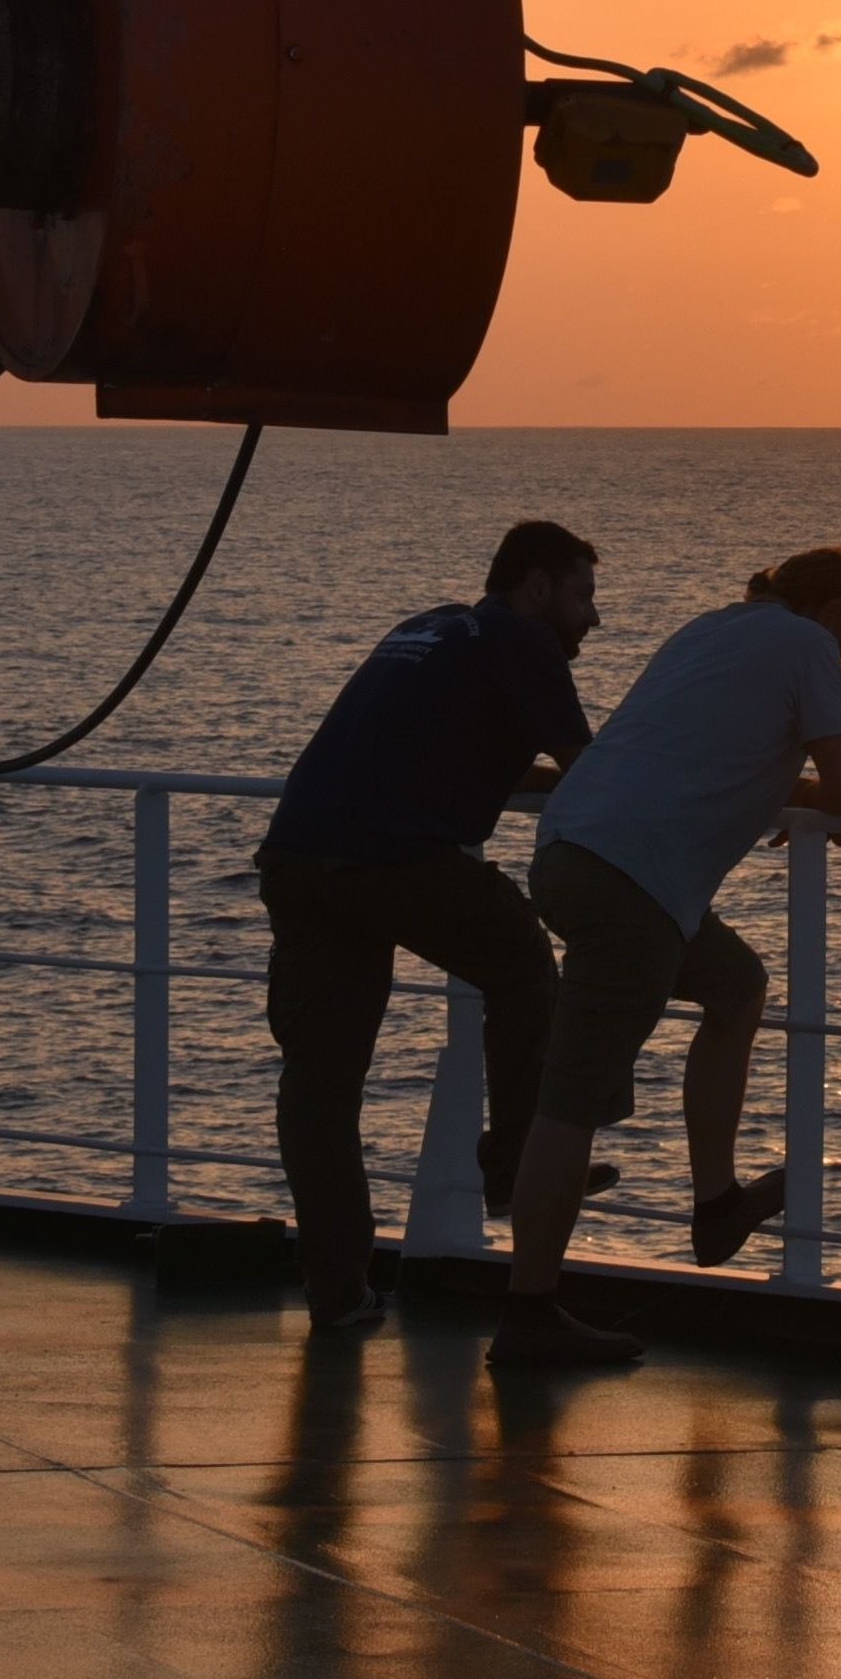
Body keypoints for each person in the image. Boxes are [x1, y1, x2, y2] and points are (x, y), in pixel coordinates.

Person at [490, 547, 841, 1372]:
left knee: (737, 986)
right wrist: (813, 796)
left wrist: (784, 788)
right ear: (833, 610)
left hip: (576, 851)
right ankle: (528, 1314)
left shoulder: (709, 629)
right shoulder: (805, 643)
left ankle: (717, 1202)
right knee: (566, 1105)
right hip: (630, 883)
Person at [254, 520, 605, 1336]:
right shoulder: (524, 641)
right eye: (584, 596)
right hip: (391, 860)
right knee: (522, 960)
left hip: (301, 858)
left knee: (321, 1082)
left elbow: (437, 750)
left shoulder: (429, 627)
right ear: (538, 586)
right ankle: (517, 1167)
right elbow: (590, 771)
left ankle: (339, 1291)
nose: (594, 619)